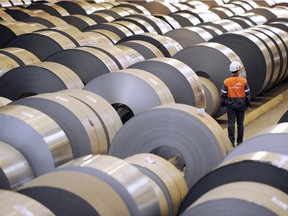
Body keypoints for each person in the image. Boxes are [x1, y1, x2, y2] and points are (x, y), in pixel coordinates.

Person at [221, 61, 251, 147]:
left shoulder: (226, 81)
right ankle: (240, 142)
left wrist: (224, 104)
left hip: (230, 106)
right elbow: (247, 94)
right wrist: (247, 104)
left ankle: (231, 142)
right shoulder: (243, 81)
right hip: (241, 105)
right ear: (238, 71)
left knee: (231, 124)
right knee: (240, 124)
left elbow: (223, 94)